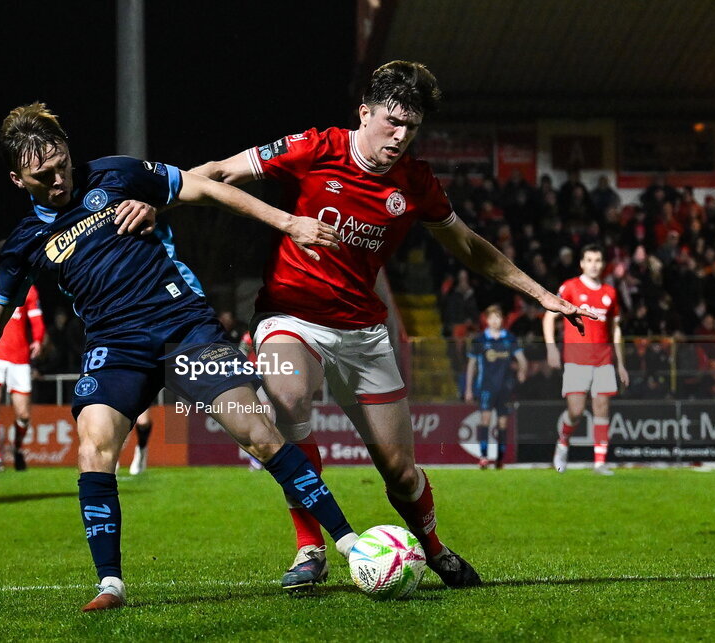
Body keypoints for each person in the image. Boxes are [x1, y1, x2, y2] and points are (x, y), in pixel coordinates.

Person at [0, 102, 359, 612]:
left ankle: (350, 544)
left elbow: (204, 187)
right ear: (17, 180)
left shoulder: (117, 173)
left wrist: (289, 223)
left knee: (258, 432)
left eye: (63, 164)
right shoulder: (24, 244)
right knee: (93, 446)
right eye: (43, 176)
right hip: (114, 347)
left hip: (183, 328)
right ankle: (111, 585)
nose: (59, 180)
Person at [191, 60, 591, 591]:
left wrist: (542, 294)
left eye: (412, 127)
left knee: (400, 473)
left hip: (362, 332)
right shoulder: (315, 148)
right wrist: (152, 193)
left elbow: (469, 246)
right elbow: (217, 173)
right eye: (393, 121)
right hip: (290, 315)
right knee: (288, 399)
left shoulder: (415, 182)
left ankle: (434, 550)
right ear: (365, 113)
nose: (400, 136)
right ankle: (310, 547)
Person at [544, 244, 629, 476]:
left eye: (598, 260)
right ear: (581, 263)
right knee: (576, 411)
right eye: (589, 260)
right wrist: (551, 348)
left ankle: (600, 463)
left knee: (602, 408)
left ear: (603, 264)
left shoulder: (610, 293)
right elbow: (549, 316)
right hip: (576, 358)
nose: (594, 264)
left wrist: (620, 362)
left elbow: (616, 329)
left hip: (603, 358)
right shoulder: (570, 287)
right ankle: (563, 441)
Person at [0, 240, 47, 472]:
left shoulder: (27, 289)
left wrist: (38, 339)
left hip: (19, 356)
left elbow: (36, 320)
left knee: (23, 414)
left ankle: (16, 448)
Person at [464, 305, 527, 469]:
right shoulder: (480, 340)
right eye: (491, 317)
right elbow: (471, 365)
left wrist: (522, 371)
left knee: (503, 424)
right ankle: (484, 457)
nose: (494, 321)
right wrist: (468, 389)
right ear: (486, 320)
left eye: (497, 317)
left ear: (502, 320)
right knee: (485, 420)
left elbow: (521, 359)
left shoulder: (509, 338)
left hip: (505, 387)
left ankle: (500, 459)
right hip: (486, 387)